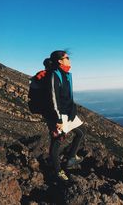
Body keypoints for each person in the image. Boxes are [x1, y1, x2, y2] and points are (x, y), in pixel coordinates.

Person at [43, 50, 84, 181]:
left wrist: (73, 111)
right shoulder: (55, 75)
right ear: (60, 61)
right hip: (59, 117)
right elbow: (54, 98)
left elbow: (67, 97)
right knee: (56, 144)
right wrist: (58, 119)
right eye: (67, 57)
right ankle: (58, 172)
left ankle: (71, 158)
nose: (69, 59)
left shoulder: (65, 74)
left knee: (80, 133)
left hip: (68, 114)